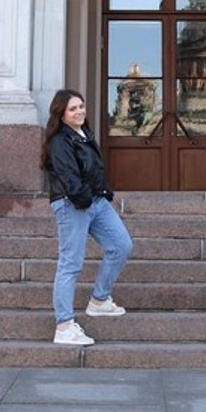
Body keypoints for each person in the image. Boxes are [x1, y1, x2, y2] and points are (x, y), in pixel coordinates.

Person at [41, 87, 133, 346]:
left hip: (96, 201)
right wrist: (84, 199)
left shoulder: (83, 134)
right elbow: (69, 177)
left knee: (121, 245)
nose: (79, 111)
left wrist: (102, 193)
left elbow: (93, 170)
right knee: (70, 263)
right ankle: (64, 325)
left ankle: (100, 300)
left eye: (81, 106)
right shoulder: (60, 141)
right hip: (73, 204)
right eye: (73, 108)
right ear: (61, 114)